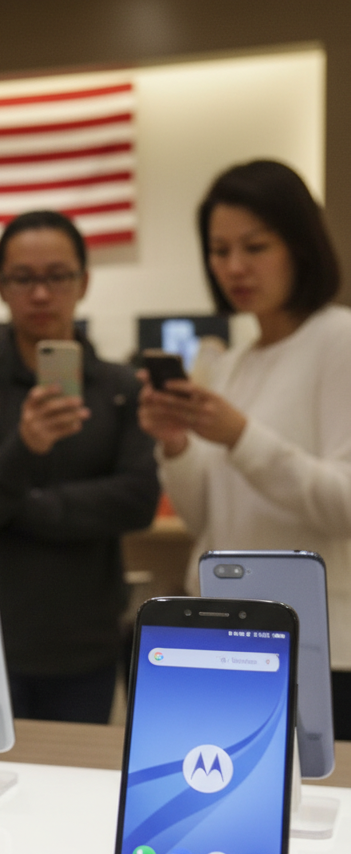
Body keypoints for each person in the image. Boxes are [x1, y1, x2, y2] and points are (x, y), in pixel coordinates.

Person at [139, 159, 351, 738]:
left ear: (300, 245)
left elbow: (344, 504)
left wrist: (240, 436)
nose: (234, 267)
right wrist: (176, 445)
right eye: (219, 250)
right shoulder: (234, 362)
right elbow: (206, 520)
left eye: (255, 247)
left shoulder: (338, 341)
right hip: (229, 636)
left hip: (320, 647)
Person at [0, 210, 159, 723]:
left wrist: (10, 491)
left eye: (57, 276)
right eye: (23, 278)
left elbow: (138, 502)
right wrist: (23, 448)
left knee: (76, 772)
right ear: (1, 286)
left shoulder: (121, 389)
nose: (40, 294)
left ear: (83, 282)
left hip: (88, 645)